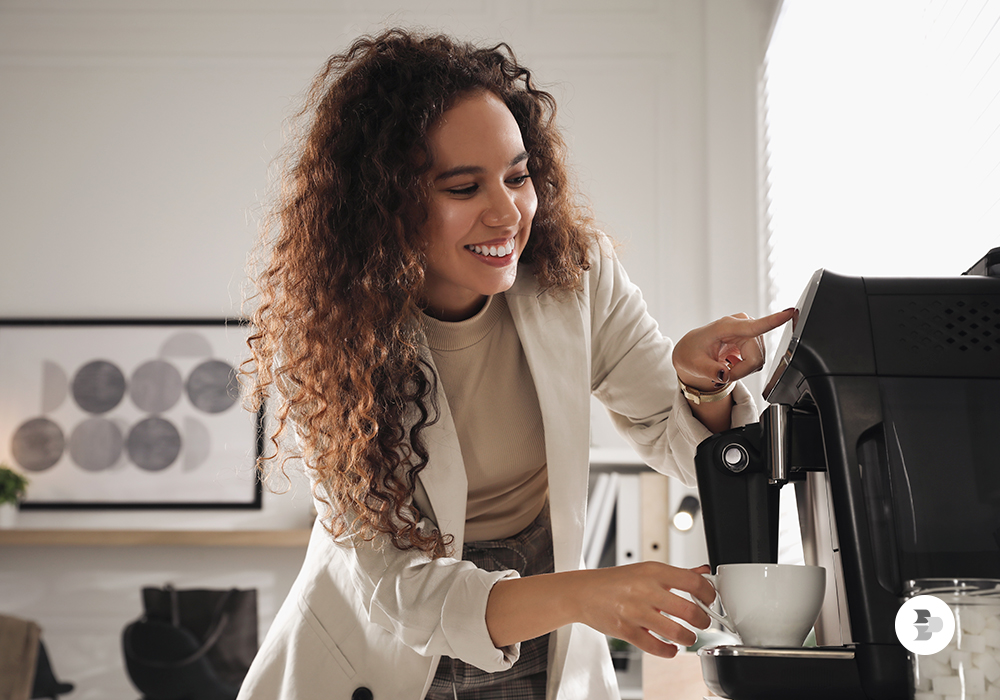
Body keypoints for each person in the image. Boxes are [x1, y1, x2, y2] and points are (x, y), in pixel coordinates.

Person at [239, 28, 794, 700]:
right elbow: (400, 590)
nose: (507, 213)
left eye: (518, 176)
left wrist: (704, 384)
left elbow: (676, 439)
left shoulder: (576, 273)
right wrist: (585, 594)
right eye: (463, 187)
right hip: (382, 657)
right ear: (385, 206)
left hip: (545, 632)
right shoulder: (329, 343)